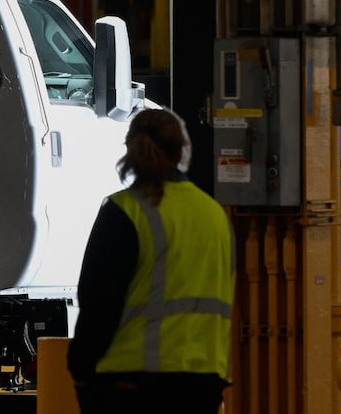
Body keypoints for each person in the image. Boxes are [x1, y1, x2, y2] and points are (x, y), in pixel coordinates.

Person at [67, 107, 235, 414]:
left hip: (131, 382)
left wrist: (80, 368)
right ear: (182, 150)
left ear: (130, 149)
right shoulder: (214, 214)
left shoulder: (124, 211)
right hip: (204, 382)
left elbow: (98, 301)